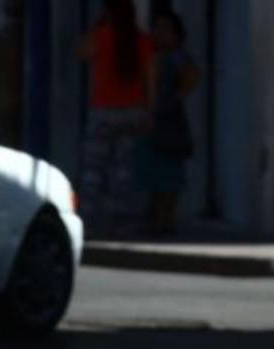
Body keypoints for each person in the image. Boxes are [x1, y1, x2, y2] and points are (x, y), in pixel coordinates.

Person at [76, 0, 154, 235]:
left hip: (103, 111)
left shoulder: (100, 37)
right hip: (133, 111)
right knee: (124, 169)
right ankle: (122, 220)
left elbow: (80, 51)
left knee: (94, 168)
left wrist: (98, 25)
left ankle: (89, 219)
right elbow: (152, 82)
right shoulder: (143, 41)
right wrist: (149, 112)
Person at [140, 8, 202, 234]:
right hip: (158, 119)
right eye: (157, 28)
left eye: (165, 29)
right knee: (155, 171)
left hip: (168, 121)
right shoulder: (157, 56)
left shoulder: (176, 57)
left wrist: (175, 96)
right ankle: (158, 217)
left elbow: (194, 76)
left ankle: (166, 218)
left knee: (170, 172)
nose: (159, 33)